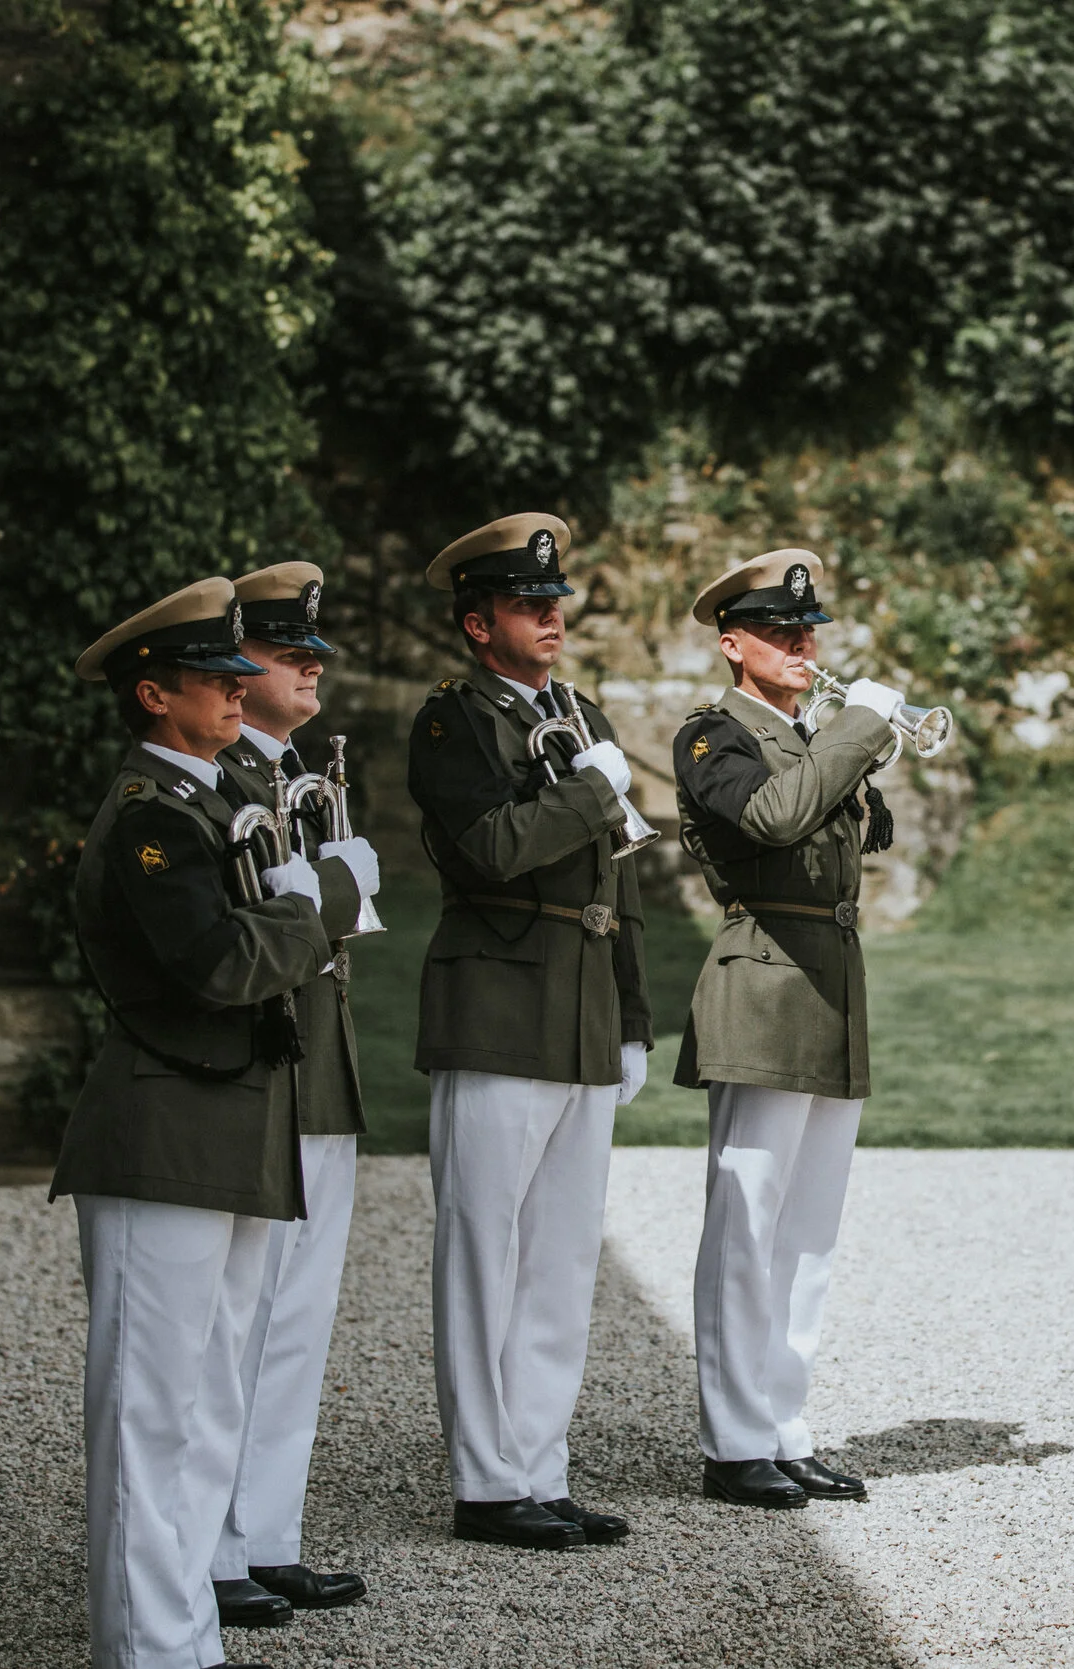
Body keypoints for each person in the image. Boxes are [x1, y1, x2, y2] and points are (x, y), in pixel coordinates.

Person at [53, 578, 374, 1669]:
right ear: (154, 694)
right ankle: (148, 1648)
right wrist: (324, 898)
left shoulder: (202, 802)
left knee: (203, 1405)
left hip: (221, 1124)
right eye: (212, 676)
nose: (238, 690)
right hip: (162, 1130)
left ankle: (184, 1635)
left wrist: (298, 901)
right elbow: (221, 964)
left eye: (241, 673)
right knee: (152, 1417)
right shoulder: (154, 815)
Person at [407, 512, 652, 1551]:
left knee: (561, 1257)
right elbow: (488, 849)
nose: (551, 617)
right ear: (479, 624)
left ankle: (539, 1465)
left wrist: (632, 1015)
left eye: (555, 601)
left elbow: (617, 882)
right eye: (526, 604)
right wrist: (594, 788)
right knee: (484, 1252)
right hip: (498, 1005)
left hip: (583, 1004)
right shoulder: (453, 721)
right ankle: (485, 1478)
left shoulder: (579, 710)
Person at [671, 549, 902, 1510]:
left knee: (808, 1234)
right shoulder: (713, 736)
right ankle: (733, 1439)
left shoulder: (812, 735)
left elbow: (868, 830)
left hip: (830, 984)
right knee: (748, 1224)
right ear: (734, 644)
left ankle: (783, 1425)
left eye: (808, 630)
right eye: (780, 631)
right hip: (763, 981)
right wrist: (854, 730)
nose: (803, 644)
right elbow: (773, 819)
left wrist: (841, 741)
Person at [205, 562, 375, 1627]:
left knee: (297, 1325)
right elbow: (319, 910)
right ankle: (215, 1548)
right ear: (237, 665)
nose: (311, 665)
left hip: (321, 1071)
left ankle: (268, 1534)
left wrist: (339, 887)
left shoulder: (301, 771)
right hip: (263, 1073)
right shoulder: (222, 777)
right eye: (286, 650)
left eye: (314, 649)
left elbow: (335, 914)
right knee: (236, 1327)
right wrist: (345, 881)